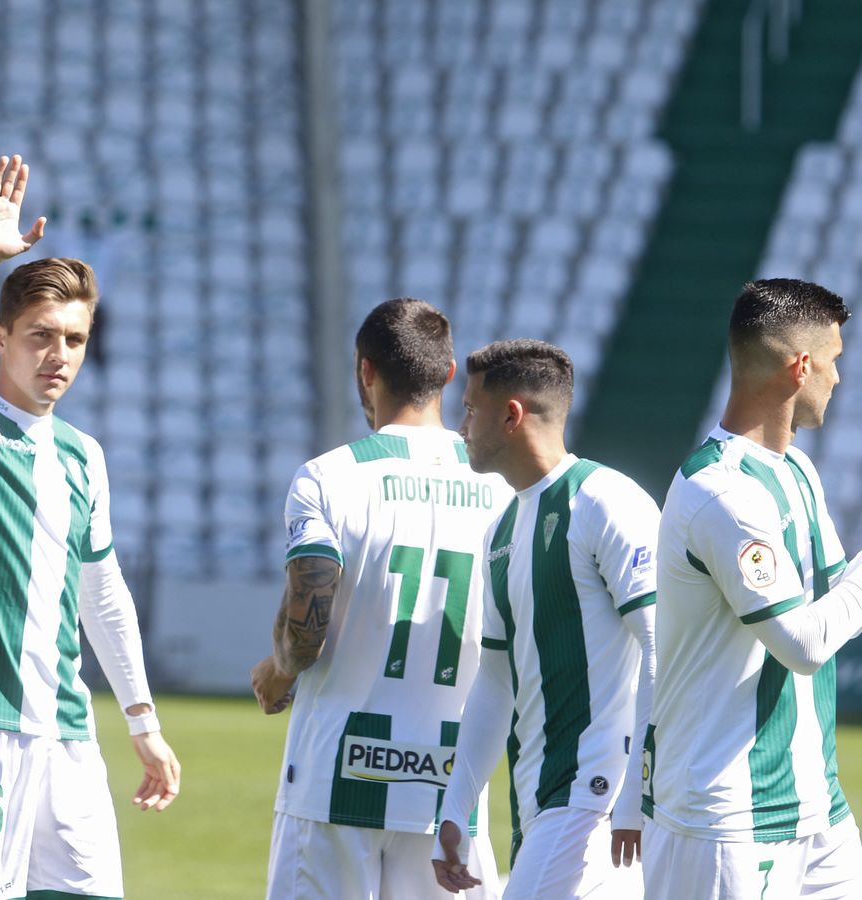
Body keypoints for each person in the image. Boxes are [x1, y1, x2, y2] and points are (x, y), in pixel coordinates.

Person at [0, 155, 180, 900]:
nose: (58, 356)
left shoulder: (83, 455)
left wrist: (143, 720)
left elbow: (102, 592)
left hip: (65, 731)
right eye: (40, 336)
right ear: (0, 337)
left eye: (75, 340)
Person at [250, 298, 508, 900]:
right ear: (449, 374)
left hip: (334, 778)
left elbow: (311, 599)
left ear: (366, 370)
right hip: (449, 784)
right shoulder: (499, 487)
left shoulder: (329, 476)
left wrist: (279, 671)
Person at [646, 279, 862, 898]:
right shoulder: (723, 492)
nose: (838, 378)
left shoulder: (797, 468)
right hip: (729, 819)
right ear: (801, 367)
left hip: (817, 807)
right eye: (833, 361)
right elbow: (802, 644)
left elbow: (838, 594)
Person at [431, 339, 656, 898]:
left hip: (596, 801)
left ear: (511, 416)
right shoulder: (500, 530)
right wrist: (455, 806)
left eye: (470, 409)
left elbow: (662, 648)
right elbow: (495, 677)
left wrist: (635, 794)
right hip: (540, 801)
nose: (461, 426)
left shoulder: (606, 502)